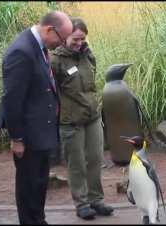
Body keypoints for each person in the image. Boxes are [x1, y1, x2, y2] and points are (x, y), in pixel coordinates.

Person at [0, 11, 73, 224]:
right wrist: (17, 138)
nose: (60, 45)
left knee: (39, 183)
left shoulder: (38, 46)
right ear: (50, 29)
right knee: (29, 185)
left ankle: (38, 220)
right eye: (61, 38)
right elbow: (12, 100)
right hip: (28, 136)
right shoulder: (21, 51)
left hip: (41, 132)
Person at [50, 18, 114, 220]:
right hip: (70, 122)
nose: (79, 43)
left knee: (95, 159)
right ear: (65, 36)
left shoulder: (87, 55)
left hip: (92, 117)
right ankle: (82, 203)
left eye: (83, 39)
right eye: (75, 39)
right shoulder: (55, 61)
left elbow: (91, 85)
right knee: (76, 163)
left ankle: (96, 200)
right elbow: (50, 92)